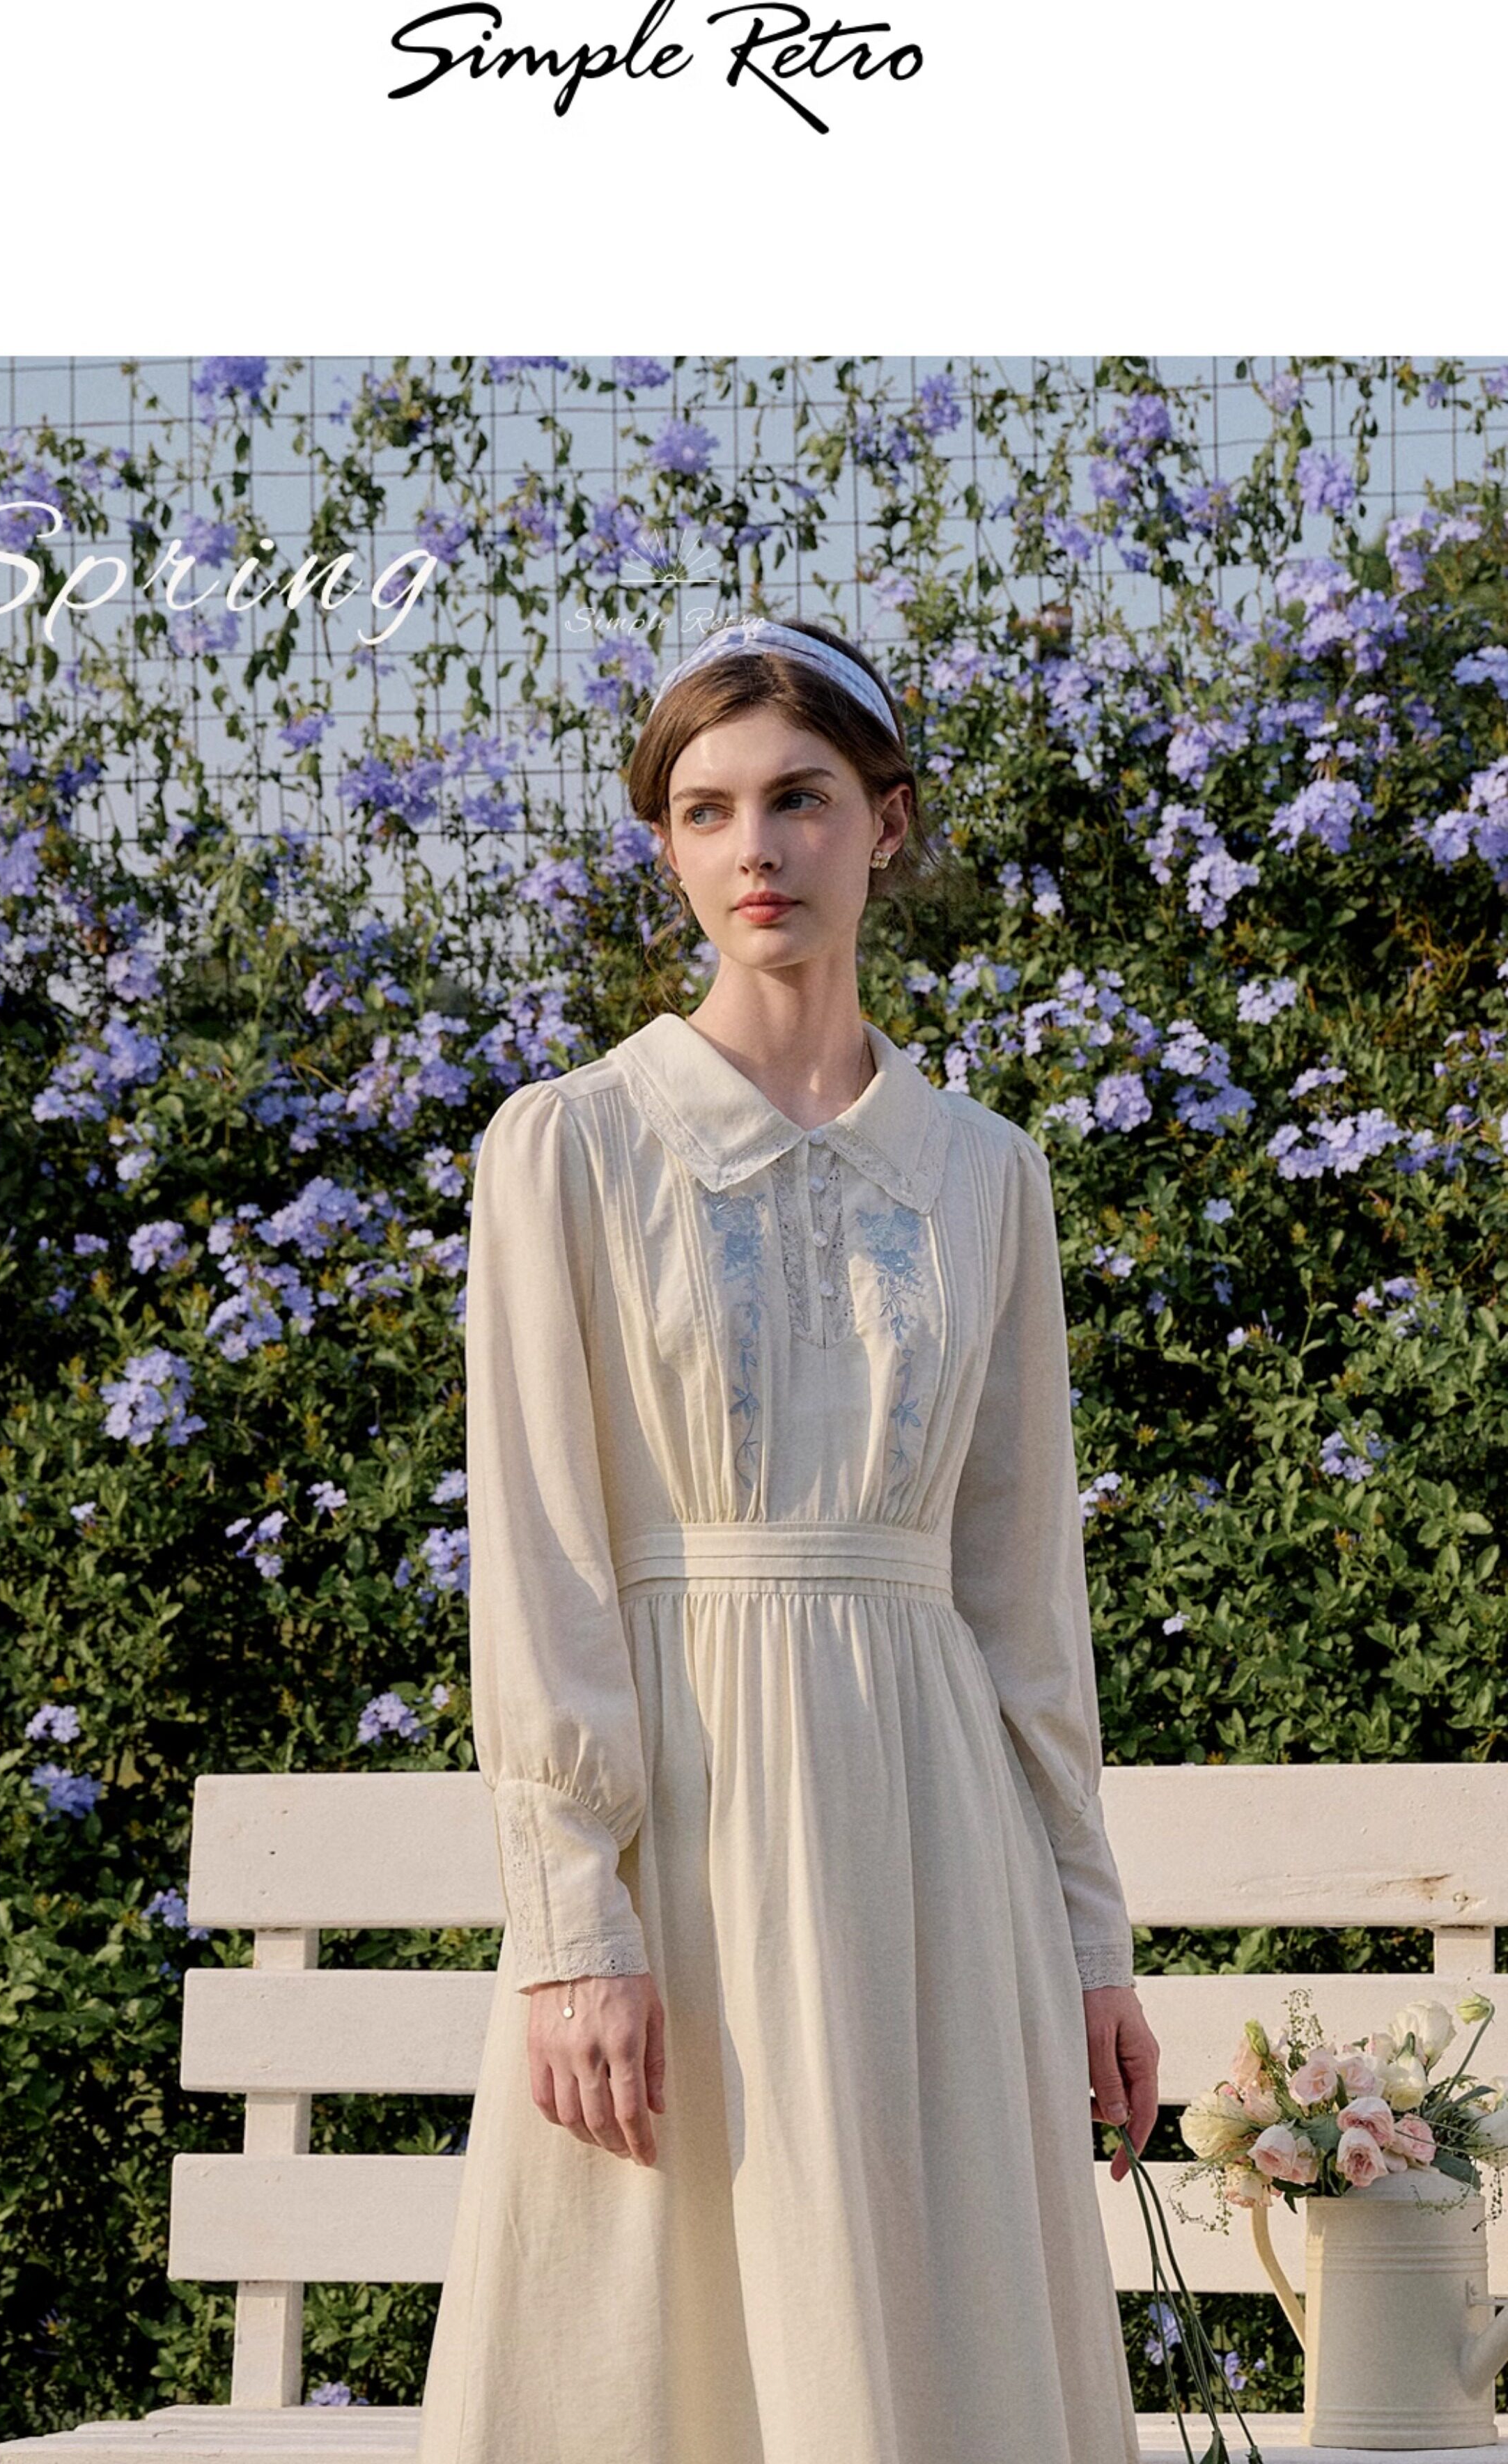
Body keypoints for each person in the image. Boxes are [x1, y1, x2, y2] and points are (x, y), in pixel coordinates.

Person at [414, 612, 1160, 2464]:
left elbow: (1022, 1593)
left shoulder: (987, 1171)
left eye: (803, 799)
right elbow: (543, 1560)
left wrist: (1090, 1942)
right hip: (687, 1829)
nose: (758, 849)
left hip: (936, 1840)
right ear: (666, 848)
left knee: (934, 2339)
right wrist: (572, 1930)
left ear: (886, 825)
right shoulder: (569, 1148)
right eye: (707, 809)